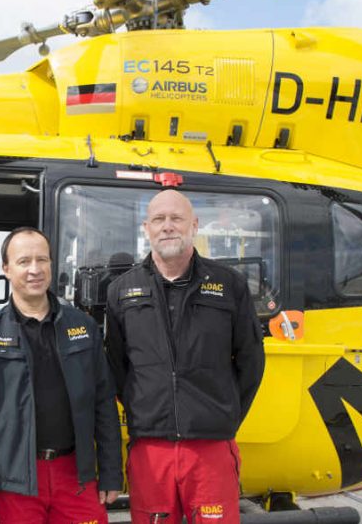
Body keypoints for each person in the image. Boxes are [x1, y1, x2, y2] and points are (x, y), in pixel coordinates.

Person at [105, 190, 265, 524]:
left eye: (176, 218)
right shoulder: (122, 290)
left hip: (210, 448)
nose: (167, 227)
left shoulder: (229, 285)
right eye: (159, 220)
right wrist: (143, 408)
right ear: (146, 228)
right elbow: (116, 365)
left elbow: (251, 360)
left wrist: (225, 414)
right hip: (150, 449)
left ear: (194, 225)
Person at [0, 227, 123, 524]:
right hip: (13, 481)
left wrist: (110, 473)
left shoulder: (83, 328)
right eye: (24, 261)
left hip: (75, 476)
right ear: (6, 269)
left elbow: (103, 405)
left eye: (42, 260)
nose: (35, 270)